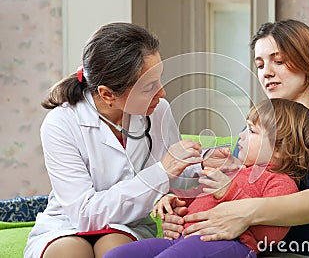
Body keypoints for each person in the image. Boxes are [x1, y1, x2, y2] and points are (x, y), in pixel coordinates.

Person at [161, 19, 309, 258]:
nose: (267, 72)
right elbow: (226, 189)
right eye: (259, 64)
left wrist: (246, 211)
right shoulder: (259, 124)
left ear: (308, 62)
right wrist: (182, 216)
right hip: (238, 244)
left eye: (278, 61)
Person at [24, 22, 203, 258]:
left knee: (116, 250)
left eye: (159, 79)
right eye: (149, 86)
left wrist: (206, 163)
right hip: (66, 226)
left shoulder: (158, 110)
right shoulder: (60, 123)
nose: (162, 93)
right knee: (70, 253)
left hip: (128, 225)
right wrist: (160, 173)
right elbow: (85, 214)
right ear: (107, 94)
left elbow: (178, 175)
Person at [103, 98, 309, 258]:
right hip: (184, 238)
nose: (241, 135)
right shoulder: (234, 170)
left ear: (279, 148)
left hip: (231, 246)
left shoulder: (280, 181)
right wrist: (177, 202)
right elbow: (202, 197)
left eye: (251, 131)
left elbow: (271, 234)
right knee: (116, 255)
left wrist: (229, 192)